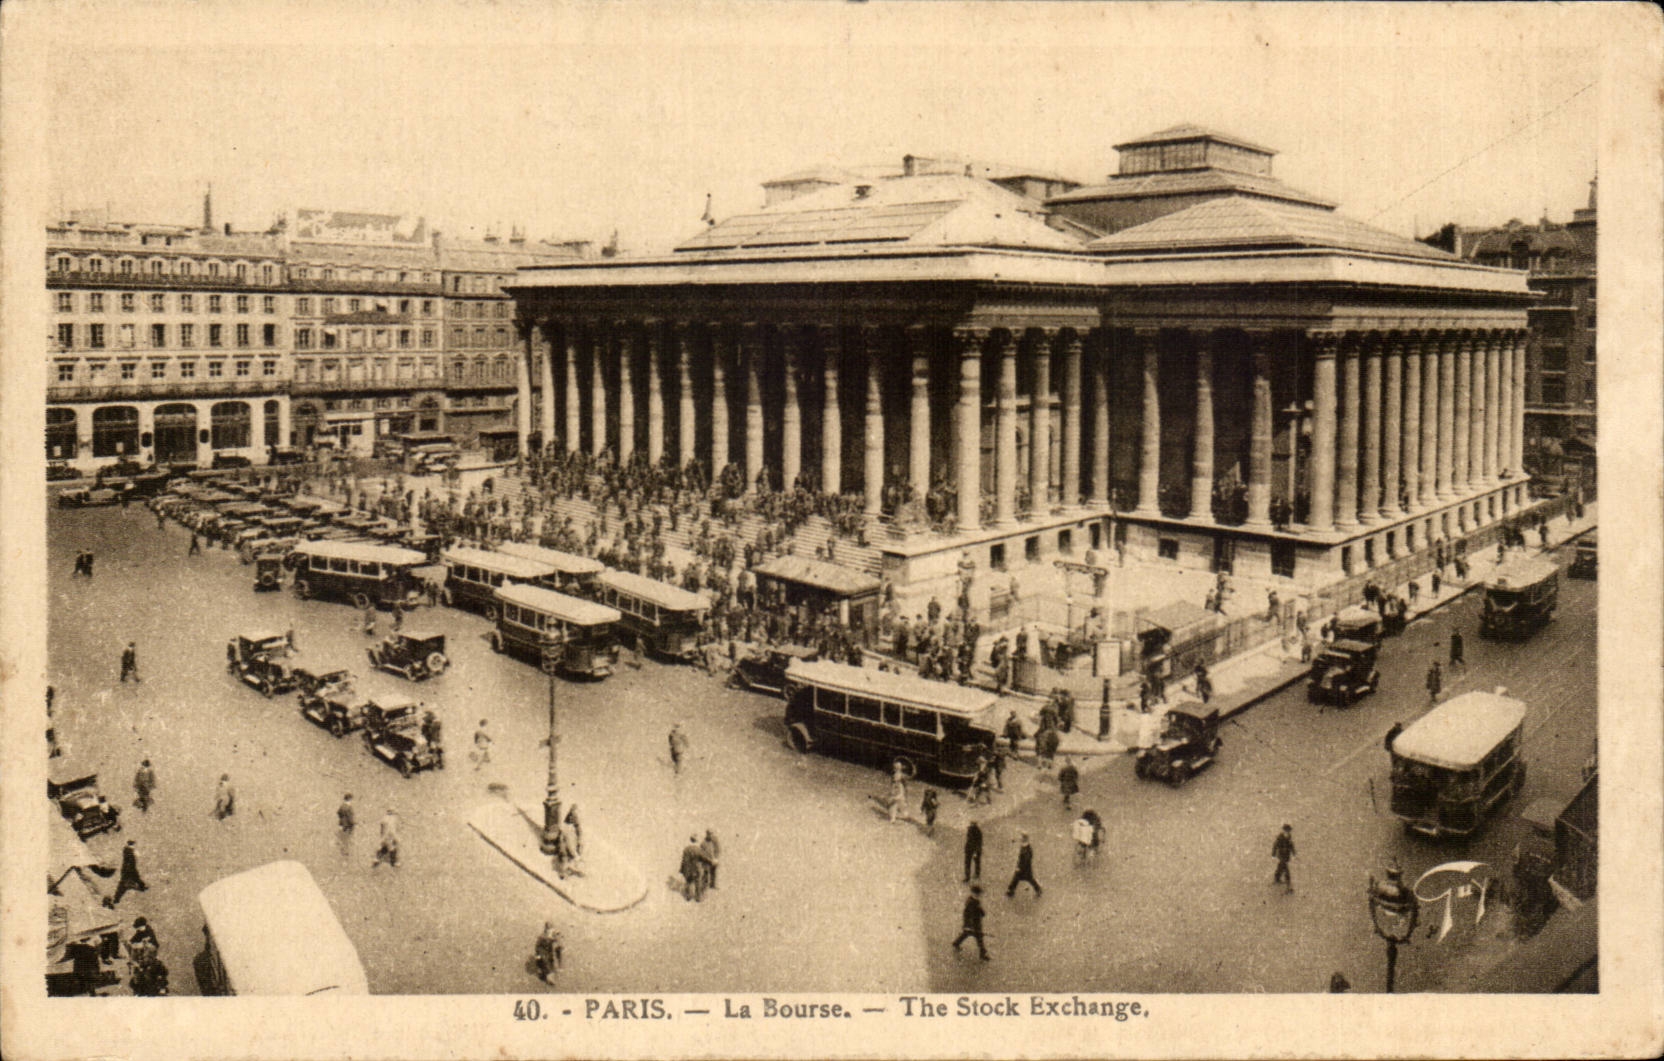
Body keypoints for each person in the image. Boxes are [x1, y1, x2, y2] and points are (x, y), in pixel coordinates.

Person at [951, 885, 990, 960]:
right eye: (977, 894)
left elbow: (979, 910)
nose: (979, 896)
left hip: (975, 923)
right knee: (978, 938)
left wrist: (982, 912)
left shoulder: (975, 901)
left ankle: (956, 943)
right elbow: (968, 915)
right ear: (973, 893)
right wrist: (969, 925)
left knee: (967, 934)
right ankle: (982, 953)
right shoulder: (971, 903)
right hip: (973, 924)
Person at [109, 839, 148, 906]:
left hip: (127, 871)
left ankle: (115, 900)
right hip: (128, 871)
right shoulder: (129, 852)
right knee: (124, 885)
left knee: (122, 885)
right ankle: (115, 900)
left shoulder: (128, 851)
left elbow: (129, 864)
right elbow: (131, 865)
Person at [1007, 832, 1042, 898]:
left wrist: (1019, 867)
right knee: (1024, 878)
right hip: (1025, 868)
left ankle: (1010, 890)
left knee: (1020, 878)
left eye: (1022, 838)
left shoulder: (1026, 849)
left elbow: (1025, 860)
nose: (1020, 839)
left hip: (1024, 868)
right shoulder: (1025, 847)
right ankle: (1011, 890)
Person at [680, 835, 711, 901]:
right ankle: (698, 898)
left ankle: (688, 897)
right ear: (696, 841)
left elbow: (683, 860)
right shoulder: (698, 850)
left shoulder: (686, 849)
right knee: (698, 882)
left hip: (688, 869)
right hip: (696, 869)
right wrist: (711, 861)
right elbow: (705, 858)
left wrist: (682, 869)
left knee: (688, 882)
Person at [1272, 823, 1295, 893]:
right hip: (1281, 855)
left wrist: (1294, 853)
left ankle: (1277, 878)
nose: (1287, 832)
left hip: (1286, 855)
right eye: (1286, 831)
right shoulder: (1280, 837)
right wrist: (1273, 854)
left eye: (1288, 831)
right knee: (1285, 868)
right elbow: (1275, 845)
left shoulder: (1289, 837)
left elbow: (1291, 845)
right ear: (1284, 830)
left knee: (1280, 867)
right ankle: (1288, 884)